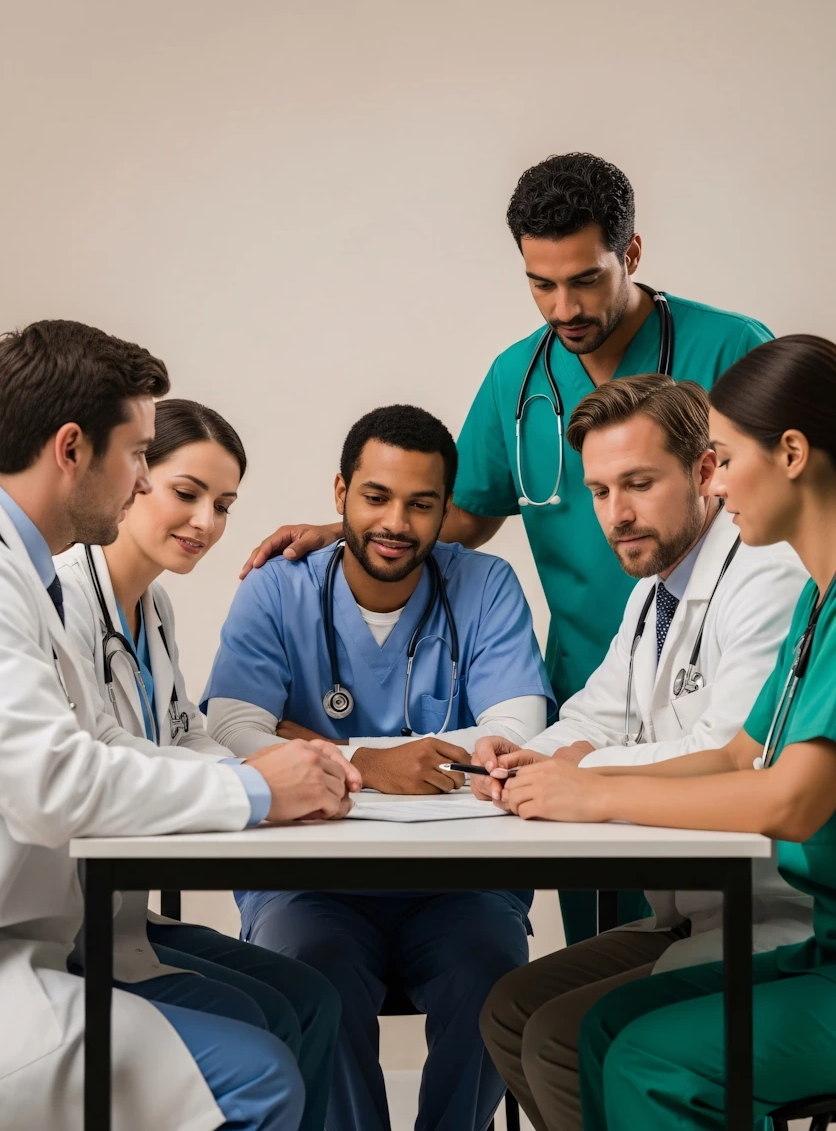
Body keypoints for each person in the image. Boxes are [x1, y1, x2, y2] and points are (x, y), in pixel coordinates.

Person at [239, 152, 774, 943]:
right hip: (599, 667)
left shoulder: (728, 347)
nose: (563, 307)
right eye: (540, 283)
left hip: (720, 652)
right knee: (605, 936)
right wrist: (352, 527)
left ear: (631, 254)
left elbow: (785, 495)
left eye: (585, 279)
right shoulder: (516, 377)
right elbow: (464, 512)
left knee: (701, 922)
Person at [0, 320, 359, 1131]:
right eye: (138, 456)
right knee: (259, 1072)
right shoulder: (20, 582)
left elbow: (133, 740)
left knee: (300, 1004)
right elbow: (58, 779)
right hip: (32, 943)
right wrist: (257, 791)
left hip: (52, 923)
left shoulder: (39, 580)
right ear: (70, 449)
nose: (137, 484)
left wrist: (275, 776)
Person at [481, 333, 836, 1131]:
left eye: (725, 457)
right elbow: (740, 749)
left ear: (787, 454)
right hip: (774, 929)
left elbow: (789, 799)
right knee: (569, 1023)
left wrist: (591, 786)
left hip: (787, 915)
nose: (721, 479)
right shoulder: (813, 599)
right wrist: (536, 766)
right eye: (601, 490)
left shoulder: (782, 578)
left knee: (634, 1051)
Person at [201, 404, 556, 1131]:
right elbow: (233, 727)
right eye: (376, 497)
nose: (397, 522)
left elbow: (514, 733)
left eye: (421, 504)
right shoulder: (278, 588)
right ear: (339, 495)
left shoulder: (486, 585)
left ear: (444, 511)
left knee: (491, 976)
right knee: (308, 972)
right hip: (310, 886)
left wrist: (307, 744)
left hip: (461, 886)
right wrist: (374, 760)